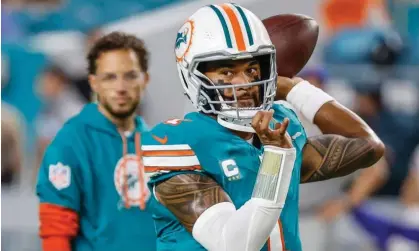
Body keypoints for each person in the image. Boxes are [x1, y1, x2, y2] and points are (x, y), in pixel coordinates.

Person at [141, 3, 384, 251]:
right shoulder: (177, 142)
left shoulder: (278, 127)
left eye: (252, 69)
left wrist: (296, 89)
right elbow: (235, 244)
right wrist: (277, 158)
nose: (244, 82)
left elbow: (368, 146)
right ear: (194, 76)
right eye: (226, 71)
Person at [36, 32, 156, 251]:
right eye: (109, 77)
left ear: (145, 80)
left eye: (130, 75)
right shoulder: (70, 144)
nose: (120, 87)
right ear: (94, 82)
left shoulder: (161, 144)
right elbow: (56, 231)